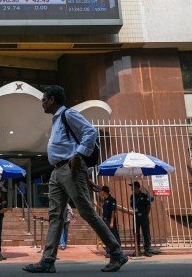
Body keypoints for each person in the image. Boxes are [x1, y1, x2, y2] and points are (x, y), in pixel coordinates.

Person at [23, 85, 127, 273]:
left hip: (69, 170)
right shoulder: (56, 121)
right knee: (55, 215)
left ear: (52, 100)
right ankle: (47, 261)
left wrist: (78, 155)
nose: (42, 103)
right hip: (57, 172)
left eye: (44, 100)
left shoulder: (68, 115)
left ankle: (116, 252)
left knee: (87, 212)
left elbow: (91, 132)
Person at [129, 181, 153, 257]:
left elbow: (149, 207)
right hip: (136, 216)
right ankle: (137, 250)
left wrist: (145, 215)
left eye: (132, 186)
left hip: (143, 216)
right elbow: (132, 206)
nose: (131, 188)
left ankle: (147, 250)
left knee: (146, 233)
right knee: (136, 233)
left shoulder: (144, 195)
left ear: (136, 187)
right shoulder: (132, 196)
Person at [99, 186, 120, 258]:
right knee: (107, 236)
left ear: (104, 191)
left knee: (114, 236)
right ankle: (109, 251)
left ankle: (117, 250)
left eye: (101, 191)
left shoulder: (112, 200)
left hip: (109, 220)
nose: (100, 193)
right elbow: (104, 211)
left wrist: (112, 222)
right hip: (105, 220)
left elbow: (113, 212)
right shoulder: (105, 200)